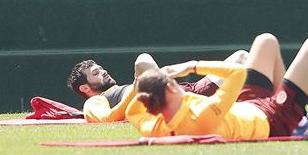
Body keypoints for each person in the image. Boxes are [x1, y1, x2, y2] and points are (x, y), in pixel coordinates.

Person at [126, 34, 308, 140]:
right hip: (272, 119)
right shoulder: (201, 118)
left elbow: (132, 110)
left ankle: (302, 123)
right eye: (173, 82)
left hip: (248, 106)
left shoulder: (154, 125)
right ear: (170, 89)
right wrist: (192, 66)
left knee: (266, 41)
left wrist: (147, 87)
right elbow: (237, 72)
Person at [66, 49, 249, 123]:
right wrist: (137, 88)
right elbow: (108, 118)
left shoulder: (123, 87)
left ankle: (264, 101)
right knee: (142, 60)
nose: (103, 72)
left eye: (101, 69)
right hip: (169, 102)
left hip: (188, 89)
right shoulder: (94, 102)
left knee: (242, 56)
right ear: (85, 88)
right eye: (96, 73)